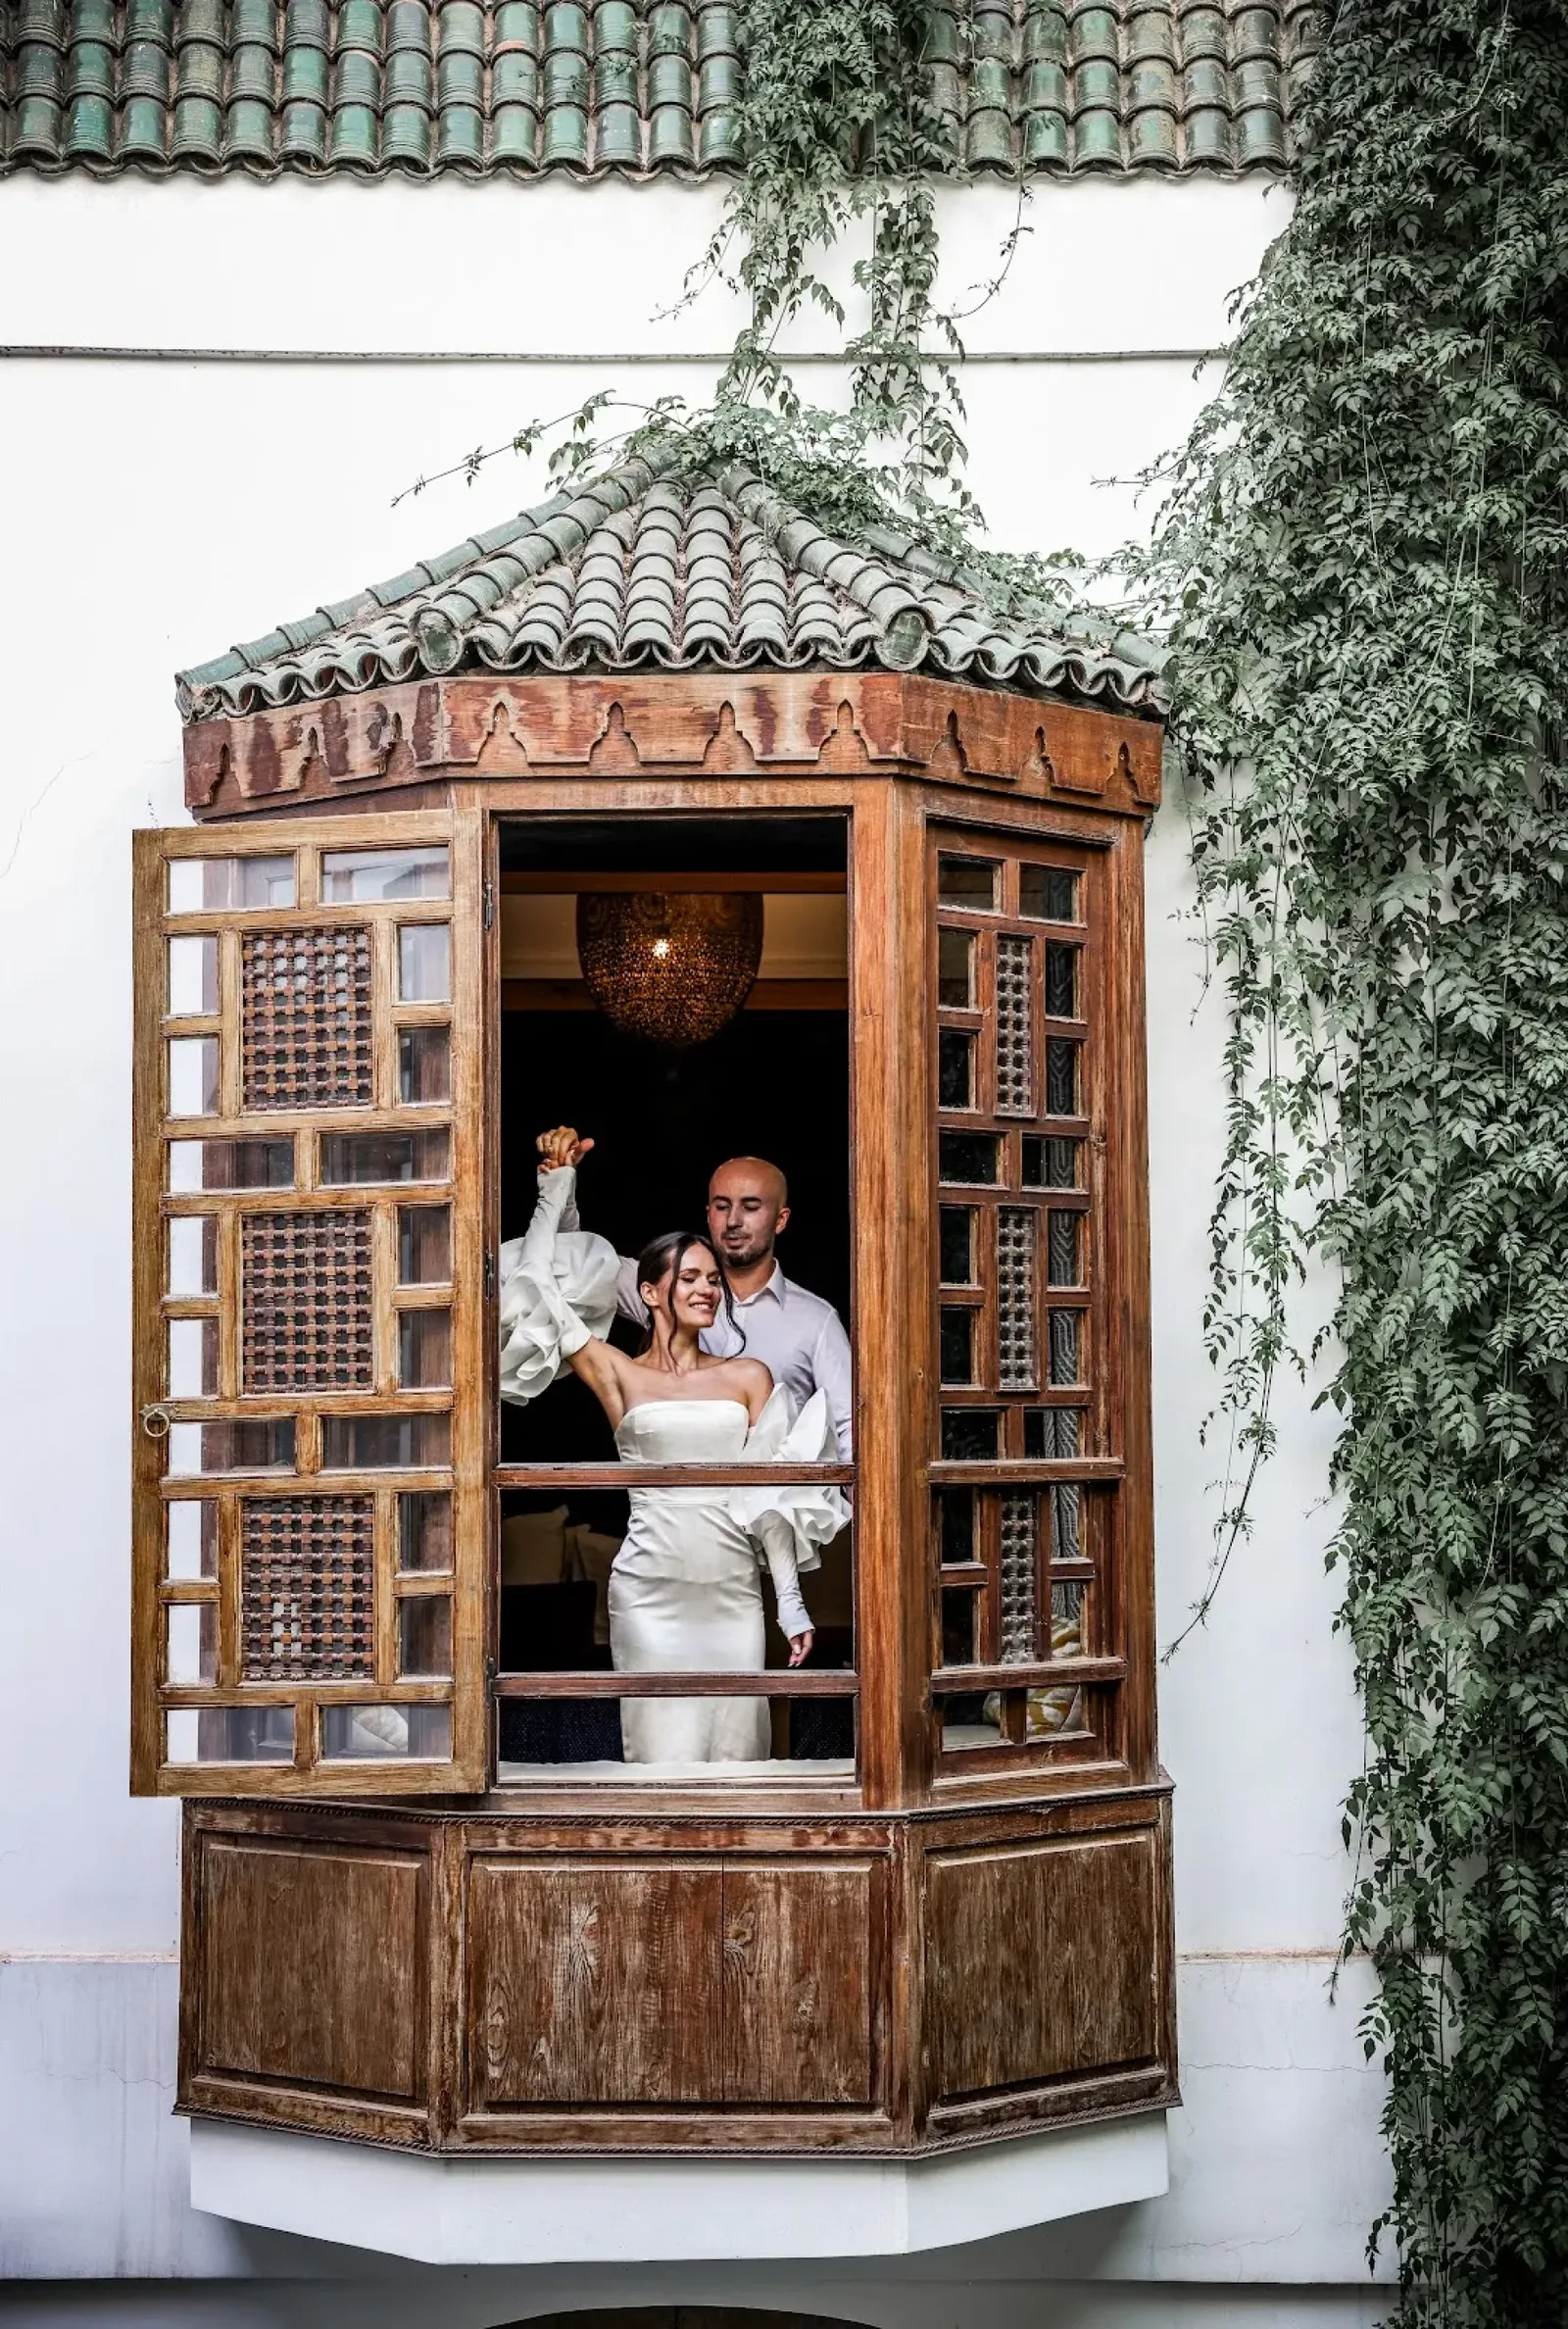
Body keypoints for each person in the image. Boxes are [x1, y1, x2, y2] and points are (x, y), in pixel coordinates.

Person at [496, 1143, 848, 1764]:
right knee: (662, 1755)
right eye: (690, 1278)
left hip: (733, 1590)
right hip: (649, 1589)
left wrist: (790, 1604)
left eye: (712, 1279)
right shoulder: (618, 1373)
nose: (708, 1289)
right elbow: (544, 1286)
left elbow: (772, 1491)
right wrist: (557, 1188)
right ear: (650, 1294)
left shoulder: (751, 1374)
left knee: (740, 1753)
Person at [534, 1126, 854, 1461]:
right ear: (708, 1214)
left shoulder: (816, 1320)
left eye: (751, 1206)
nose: (733, 1220)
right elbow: (577, 1266)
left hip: (769, 1491)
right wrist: (561, 1184)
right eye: (722, 1206)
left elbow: (848, 1429)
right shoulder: (666, 1287)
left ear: (780, 1220)